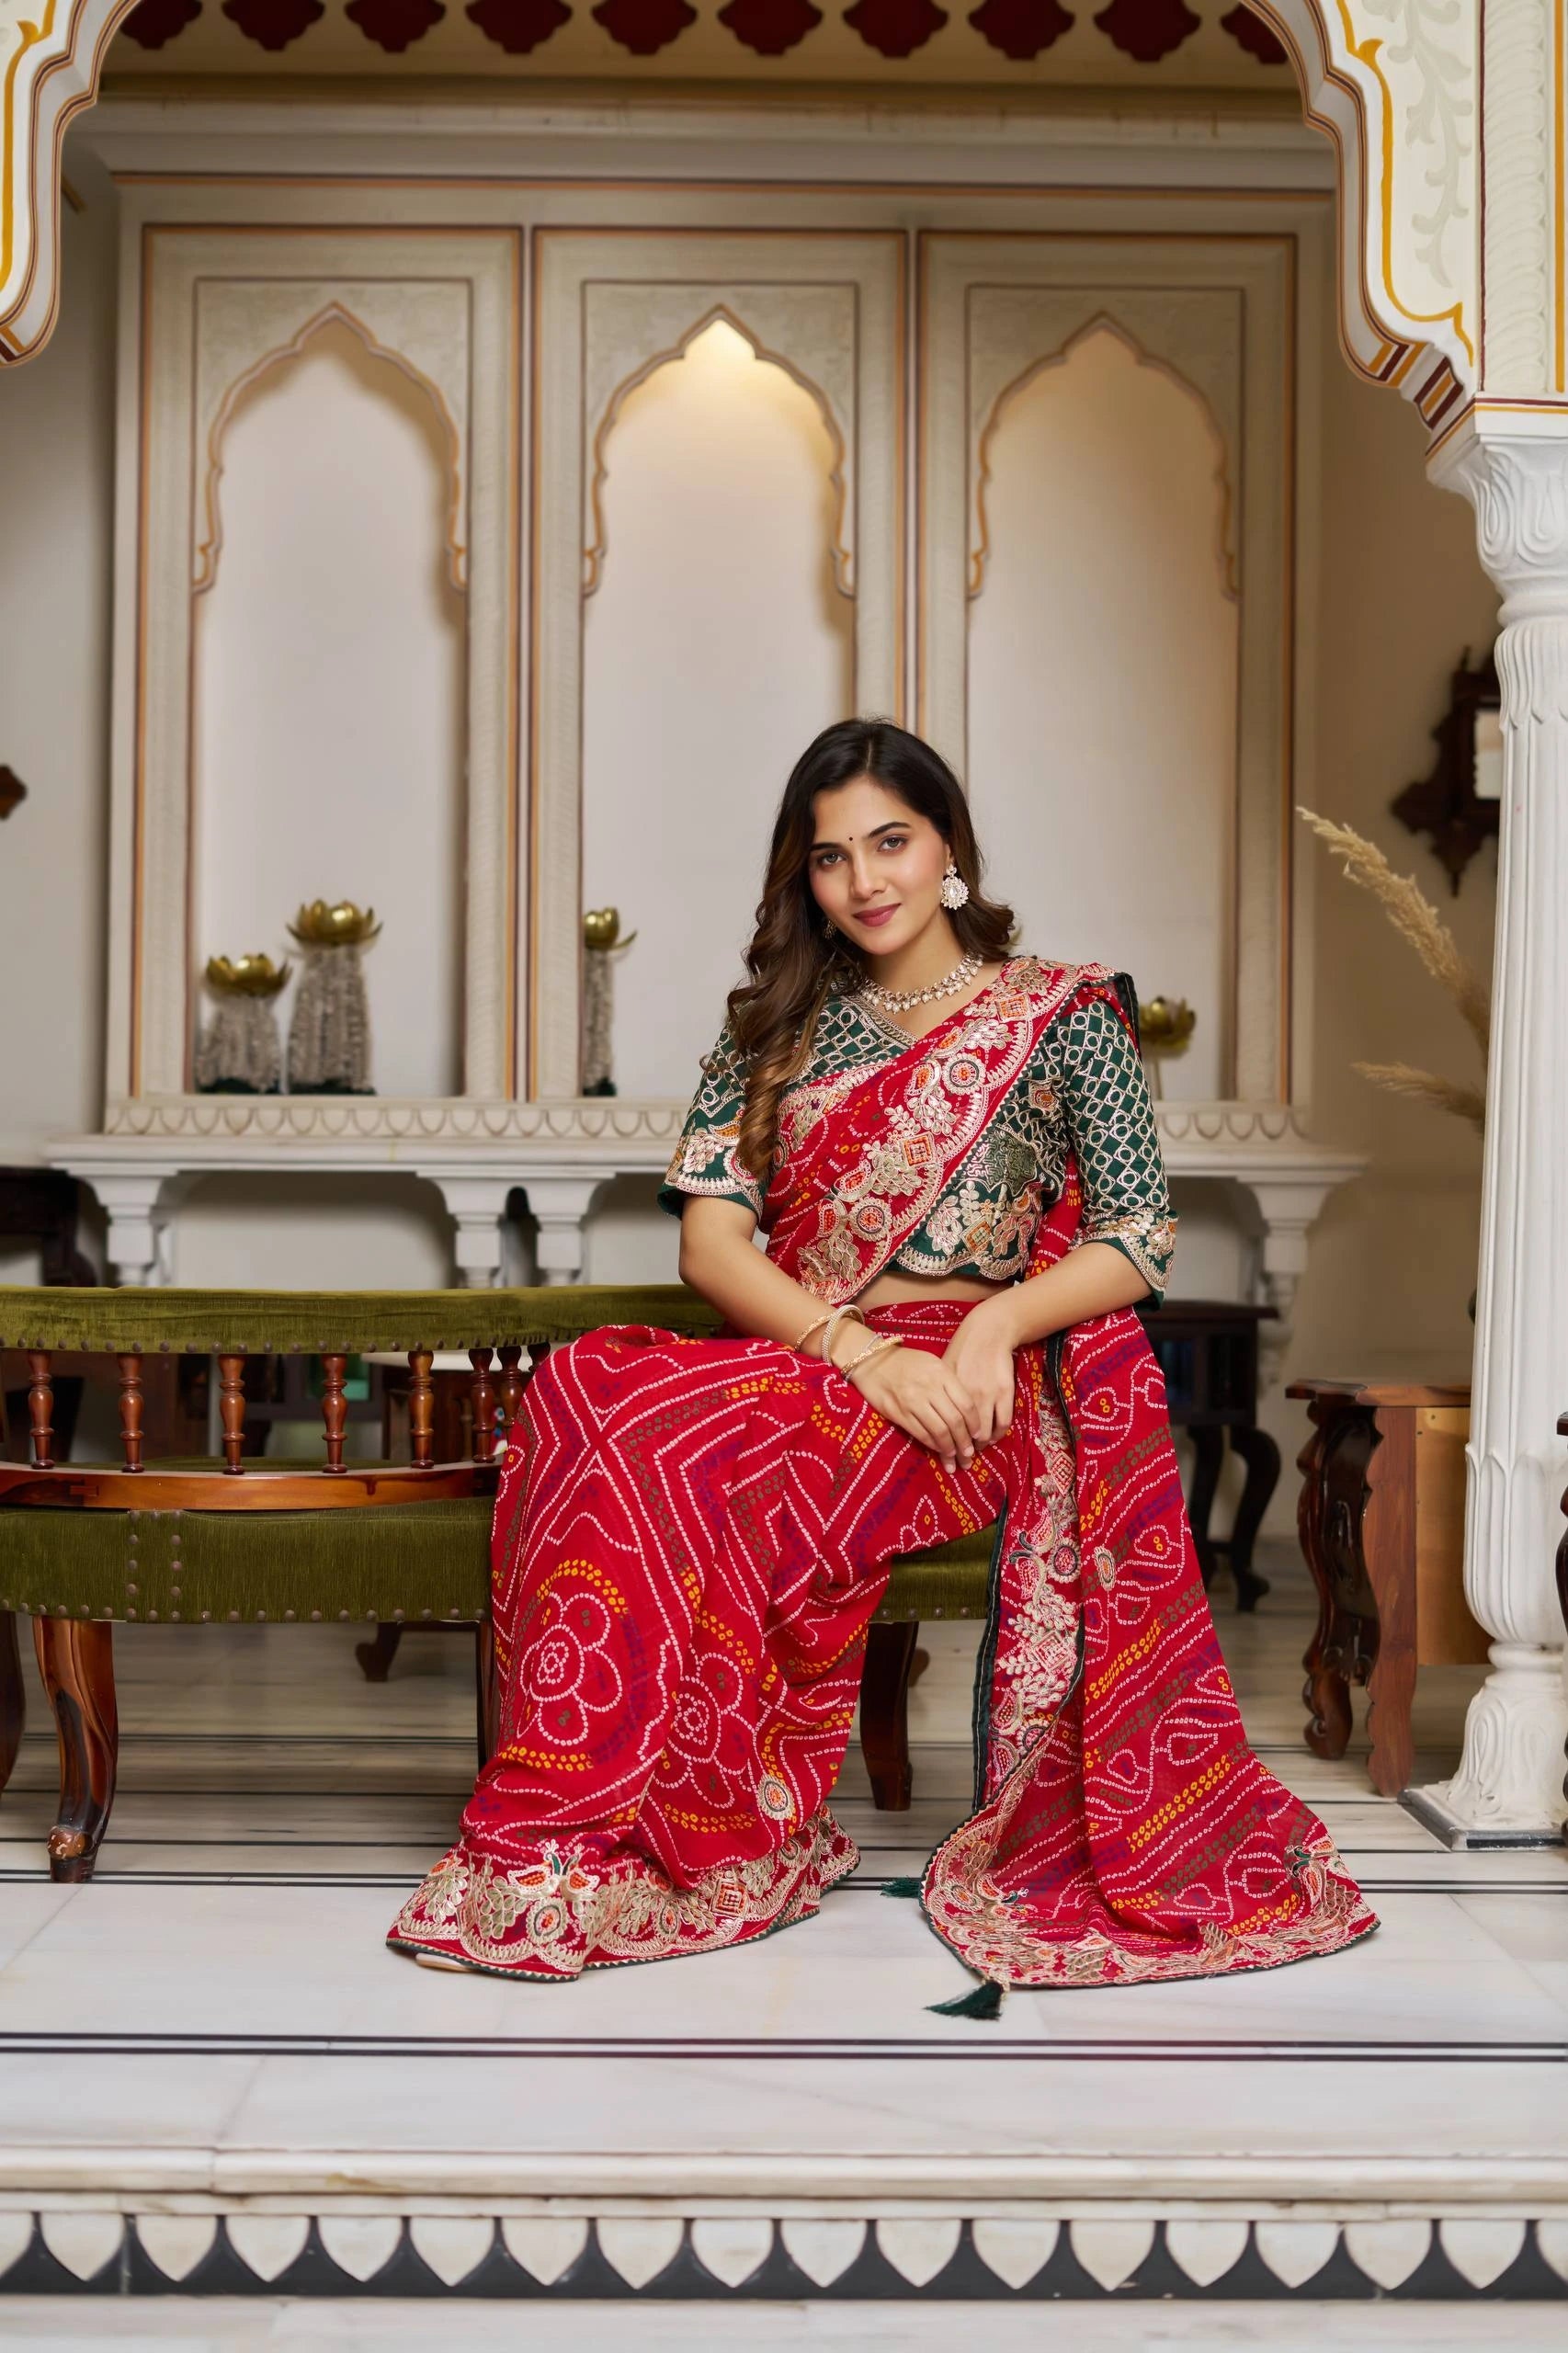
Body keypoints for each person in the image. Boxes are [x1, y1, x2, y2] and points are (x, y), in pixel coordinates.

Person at [391, 719, 1374, 2000]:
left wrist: (981, 1327)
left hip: (974, 1383)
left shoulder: (1064, 1013)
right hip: (819, 1356)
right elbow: (709, 1247)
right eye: (829, 856)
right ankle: (611, 1822)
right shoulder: (773, 1029)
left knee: (669, 1431)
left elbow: (1138, 1240)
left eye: (890, 842)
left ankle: (654, 1828)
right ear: (800, 878)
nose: (864, 879)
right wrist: (856, 1350)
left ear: (947, 845)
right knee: (592, 1385)